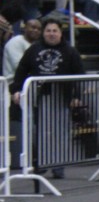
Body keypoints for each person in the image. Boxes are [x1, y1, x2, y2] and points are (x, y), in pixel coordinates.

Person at [10, 19, 86, 178]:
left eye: (54, 31)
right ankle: (41, 162)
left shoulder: (70, 51)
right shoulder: (33, 49)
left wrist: (77, 96)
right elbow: (21, 71)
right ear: (43, 33)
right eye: (48, 31)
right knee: (38, 132)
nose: (51, 34)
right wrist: (16, 90)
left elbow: (80, 75)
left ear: (60, 33)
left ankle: (58, 166)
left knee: (61, 132)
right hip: (39, 97)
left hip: (62, 97)